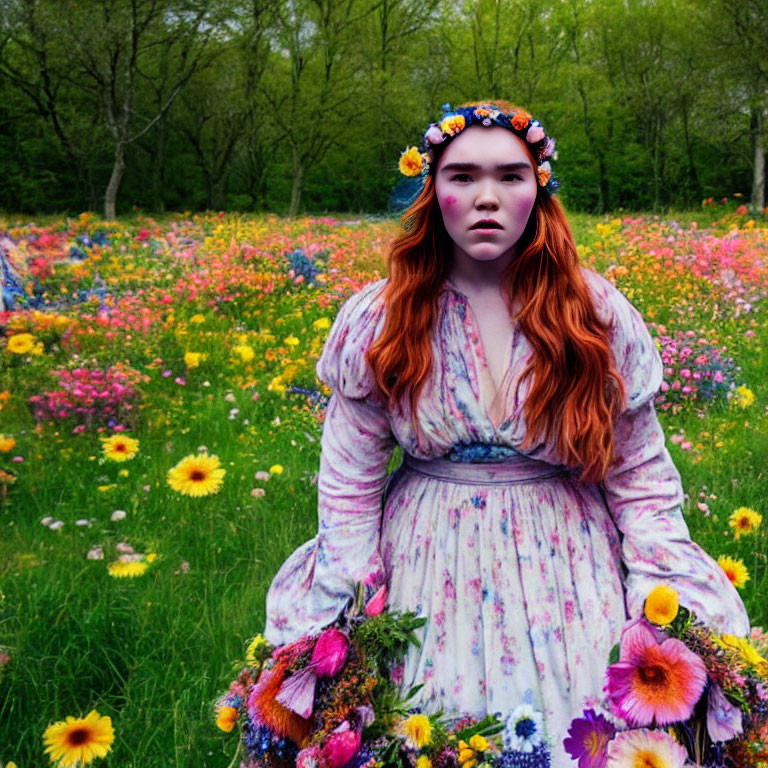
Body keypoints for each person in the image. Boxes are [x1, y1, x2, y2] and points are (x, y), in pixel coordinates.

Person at [263, 100, 750, 767]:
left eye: (510, 177)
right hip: (426, 562)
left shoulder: (595, 312)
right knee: (423, 734)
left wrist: (659, 584)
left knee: (576, 733)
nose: (486, 197)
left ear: (538, 189)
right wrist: (353, 597)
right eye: (462, 177)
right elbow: (349, 478)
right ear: (432, 190)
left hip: (568, 564)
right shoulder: (382, 317)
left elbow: (641, 475)